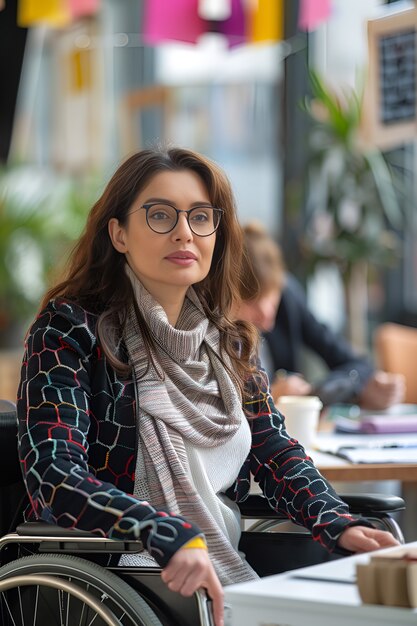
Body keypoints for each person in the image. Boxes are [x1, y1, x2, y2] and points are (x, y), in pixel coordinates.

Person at [17, 148, 398, 626]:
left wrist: (335, 519)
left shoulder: (228, 340)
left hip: (221, 562)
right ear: (118, 233)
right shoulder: (70, 330)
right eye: (160, 215)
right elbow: (53, 478)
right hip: (121, 572)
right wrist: (158, 529)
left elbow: (274, 450)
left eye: (201, 217)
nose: (184, 232)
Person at [238, 222, 405, 410]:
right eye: (252, 301)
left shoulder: (288, 299)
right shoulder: (212, 332)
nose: (267, 316)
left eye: (272, 300)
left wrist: (317, 391)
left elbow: (355, 364)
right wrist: (266, 397)